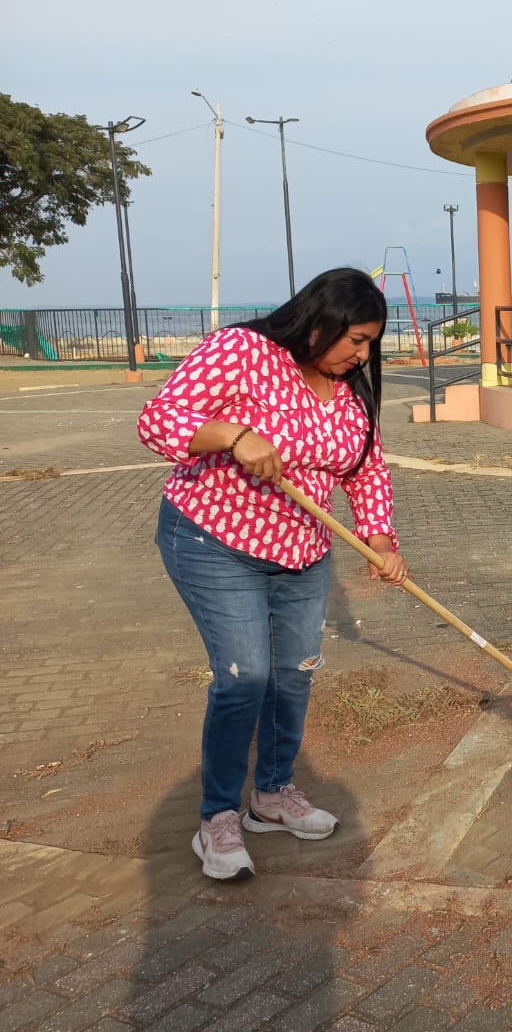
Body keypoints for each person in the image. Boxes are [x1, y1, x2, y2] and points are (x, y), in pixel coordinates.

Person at [137, 268, 408, 880]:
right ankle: (217, 817)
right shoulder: (241, 350)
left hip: (303, 553)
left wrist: (378, 539)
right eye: (355, 340)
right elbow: (158, 419)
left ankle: (272, 795)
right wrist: (232, 436)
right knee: (245, 677)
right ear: (318, 324)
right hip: (214, 540)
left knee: (293, 675)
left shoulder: (351, 392)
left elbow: (366, 469)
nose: (362, 354)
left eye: (370, 343)